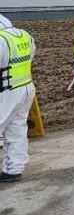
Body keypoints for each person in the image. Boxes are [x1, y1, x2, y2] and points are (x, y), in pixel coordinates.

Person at [0, 14, 36, 183]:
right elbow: (31, 56)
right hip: (26, 87)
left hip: (7, 92)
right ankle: (13, 170)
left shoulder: (1, 40)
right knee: (17, 130)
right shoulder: (24, 35)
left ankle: (12, 169)